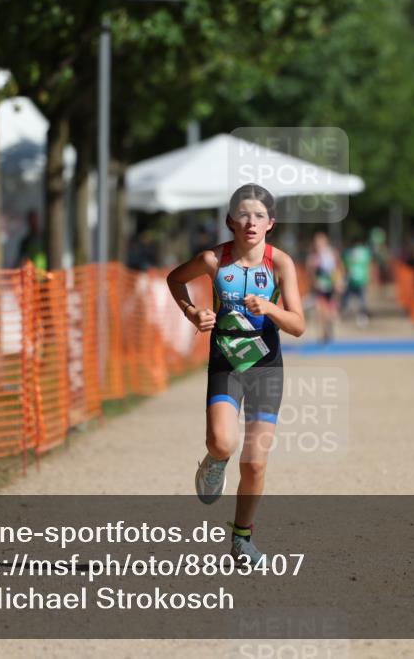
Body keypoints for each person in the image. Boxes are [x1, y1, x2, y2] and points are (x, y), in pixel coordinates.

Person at [165, 183, 305, 566]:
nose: (250, 222)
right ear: (229, 220)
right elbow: (175, 280)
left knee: (256, 462)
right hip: (226, 363)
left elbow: (298, 325)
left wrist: (269, 309)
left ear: (270, 223)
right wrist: (193, 313)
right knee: (223, 443)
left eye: (259, 215)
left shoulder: (280, 264)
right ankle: (214, 461)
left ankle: (242, 540)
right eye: (243, 214)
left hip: (265, 367)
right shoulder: (213, 261)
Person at [307, 232, 343, 343]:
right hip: (320, 289)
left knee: (331, 313)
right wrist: (314, 282)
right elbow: (311, 273)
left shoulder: (332, 254)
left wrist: (338, 282)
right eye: (316, 243)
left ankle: (329, 328)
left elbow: (338, 268)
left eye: (321, 242)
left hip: (331, 288)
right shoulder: (313, 257)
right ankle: (323, 334)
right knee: (320, 311)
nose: (318, 245)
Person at [341, 238, 372, 326]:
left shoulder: (349, 252)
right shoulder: (364, 252)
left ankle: (361, 317)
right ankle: (354, 316)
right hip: (355, 280)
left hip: (359, 280)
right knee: (351, 301)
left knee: (360, 301)